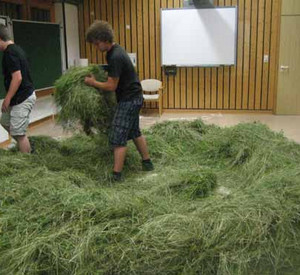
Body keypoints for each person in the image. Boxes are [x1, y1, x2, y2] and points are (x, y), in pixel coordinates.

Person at [84, 20, 153, 181]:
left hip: (129, 100)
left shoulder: (115, 56)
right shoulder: (115, 51)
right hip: (135, 97)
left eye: (96, 43)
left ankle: (116, 175)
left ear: (103, 39)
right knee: (134, 131)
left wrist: (93, 83)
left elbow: (111, 86)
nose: (96, 46)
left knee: (117, 136)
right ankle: (147, 162)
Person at [0, 24, 36, 153]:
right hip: (17, 96)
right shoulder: (14, 50)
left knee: (19, 133)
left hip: (24, 97)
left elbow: (17, 77)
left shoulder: (11, 52)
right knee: (4, 121)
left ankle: (28, 161)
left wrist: (7, 98)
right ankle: (25, 144)